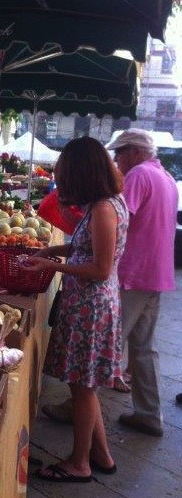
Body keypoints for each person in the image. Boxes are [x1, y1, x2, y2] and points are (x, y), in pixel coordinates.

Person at [42, 129, 179, 437]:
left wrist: (57, 255)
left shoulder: (136, 179)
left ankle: (78, 410)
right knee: (143, 348)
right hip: (156, 273)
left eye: (120, 153)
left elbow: (106, 232)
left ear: (135, 152)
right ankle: (148, 414)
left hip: (129, 274)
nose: (117, 160)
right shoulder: (166, 177)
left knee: (93, 363)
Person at [23, 136, 129, 482]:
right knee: (84, 387)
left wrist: (51, 266)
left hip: (91, 308)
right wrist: (52, 252)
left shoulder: (103, 209)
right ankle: (102, 455)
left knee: (83, 390)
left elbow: (100, 268)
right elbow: (85, 247)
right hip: (89, 305)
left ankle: (79, 463)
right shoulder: (106, 203)